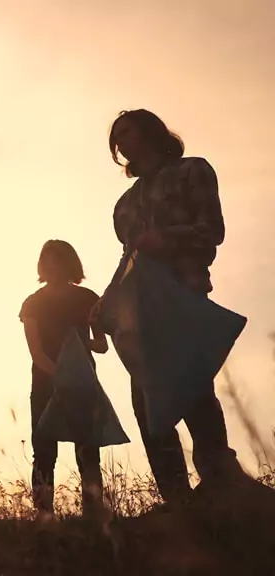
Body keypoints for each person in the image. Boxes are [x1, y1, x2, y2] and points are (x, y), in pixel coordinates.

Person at [102, 108, 243, 503]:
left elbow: (211, 230)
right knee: (146, 405)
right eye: (116, 139)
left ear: (151, 131)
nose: (120, 143)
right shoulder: (124, 205)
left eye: (127, 132)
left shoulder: (192, 171)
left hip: (184, 297)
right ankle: (175, 499)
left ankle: (220, 484)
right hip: (140, 316)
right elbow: (126, 259)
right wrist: (107, 300)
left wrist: (165, 238)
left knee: (194, 392)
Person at [20, 240, 110, 521]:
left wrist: (83, 343)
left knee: (88, 449)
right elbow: (36, 353)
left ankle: (94, 512)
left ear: (70, 264)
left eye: (58, 260)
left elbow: (102, 344)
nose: (53, 267)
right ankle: (44, 514)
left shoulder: (88, 298)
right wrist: (60, 375)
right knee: (44, 449)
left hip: (83, 382)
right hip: (47, 384)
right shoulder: (33, 303)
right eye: (48, 261)